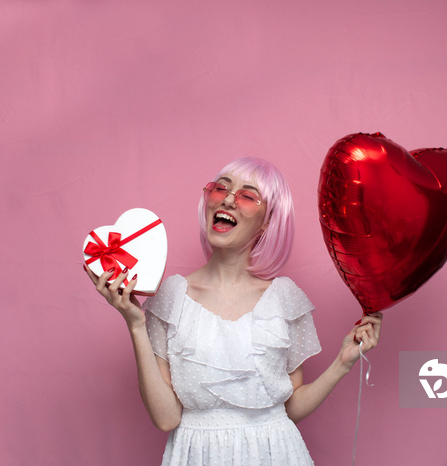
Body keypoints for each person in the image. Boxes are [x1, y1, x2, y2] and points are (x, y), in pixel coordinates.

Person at [85, 157, 383, 465]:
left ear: (268, 221)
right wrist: (135, 324)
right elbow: (166, 418)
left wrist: (343, 364)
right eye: (220, 189)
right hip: (197, 455)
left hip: (276, 454)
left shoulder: (284, 298)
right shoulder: (172, 297)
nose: (228, 199)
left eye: (247, 195)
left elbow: (290, 406)